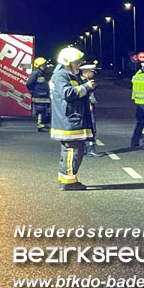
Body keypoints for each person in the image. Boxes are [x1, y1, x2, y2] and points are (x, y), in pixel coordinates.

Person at [50, 47, 95, 191]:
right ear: (68, 62)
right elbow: (68, 93)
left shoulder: (70, 75)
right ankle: (69, 182)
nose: (79, 65)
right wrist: (86, 87)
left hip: (74, 119)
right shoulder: (61, 76)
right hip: (69, 120)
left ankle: (66, 177)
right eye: (76, 62)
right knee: (73, 151)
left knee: (72, 151)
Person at [81, 62, 106, 157]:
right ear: (88, 72)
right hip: (87, 107)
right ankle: (90, 149)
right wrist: (89, 103)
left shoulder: (84, 80)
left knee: (87, 128)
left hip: (86, 107)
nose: (94, 74)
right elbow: (84, 94)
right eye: (92, 72)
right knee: (91, 128)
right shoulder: (84, 81)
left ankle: (85, 149)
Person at [26, 57, 52, 132]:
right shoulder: (36, 73)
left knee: (44, 111)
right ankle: (40, 126)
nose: (44, 67)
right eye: (42, 65)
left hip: (44, 96)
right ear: (38, 65)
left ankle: (43, 124)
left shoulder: (42, 73)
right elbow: (29, 83)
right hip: (39, 96)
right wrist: (32, 91)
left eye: (44, 65)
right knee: (40, 110)